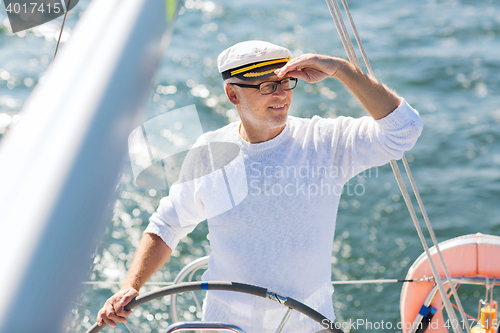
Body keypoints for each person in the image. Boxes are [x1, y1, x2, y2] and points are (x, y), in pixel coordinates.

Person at [97, 40, 423, 332]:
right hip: (225, 327)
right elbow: (167, 224)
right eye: (267, 86)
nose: (281, 95)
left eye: (285, 82)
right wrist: (131, 285)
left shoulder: (324, 141)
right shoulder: (210, 152)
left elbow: (404, 130)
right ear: (232, 94)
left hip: (306, 324)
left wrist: (342, 70)